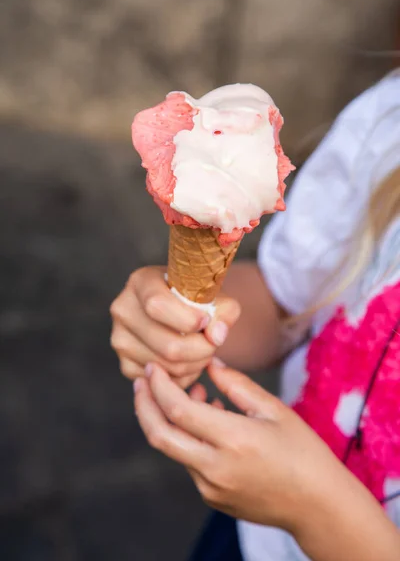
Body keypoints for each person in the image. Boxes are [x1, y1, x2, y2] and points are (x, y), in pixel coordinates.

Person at [110, 70, 400, 561]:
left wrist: (315, 510)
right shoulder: (389, 117)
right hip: (256, 526)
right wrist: (180, 315)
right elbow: (284, 301)